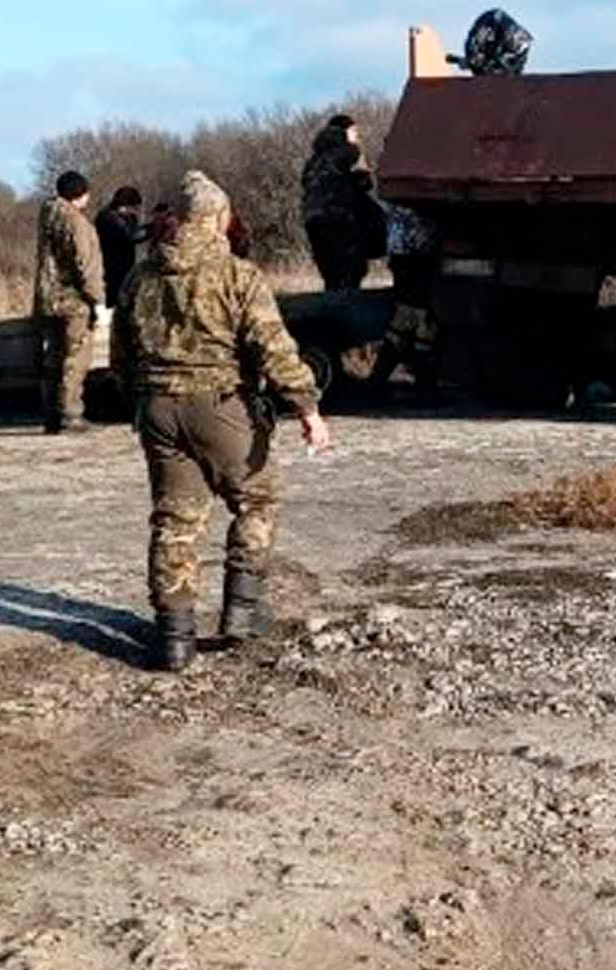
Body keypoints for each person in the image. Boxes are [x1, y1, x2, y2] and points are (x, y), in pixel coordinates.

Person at [111, 169, 332, 672]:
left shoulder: (141, 276)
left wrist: (140, 402)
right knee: (257, 499)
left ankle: (174, 638)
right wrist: (307, 408)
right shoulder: (238, 275)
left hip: (158, 408)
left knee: (175, 518)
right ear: (215, 219)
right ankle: (242, 610)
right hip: (220, 406)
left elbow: (120, 355)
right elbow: (273, 347)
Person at [32, 169, 104, 434]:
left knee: (53, 358)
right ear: (80, 194)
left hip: (48, 299)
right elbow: (85, 265)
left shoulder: (48, 217)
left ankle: (51, 415)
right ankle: (70, 414)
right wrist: (96, 298)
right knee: (75, 358)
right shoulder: (77, 223)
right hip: (74, 302)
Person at [300, 114, 383, 290]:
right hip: (341, 218)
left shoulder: (313, 160)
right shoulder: (351, 151)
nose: (357, 136)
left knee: (331, 273)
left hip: (313, 219)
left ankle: (331, 307)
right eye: (354, 131)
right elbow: (365, 183)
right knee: (350, 271)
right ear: (346, 131)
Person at [370, 200, 440, 392]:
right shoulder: (418, 202)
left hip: (401, 255)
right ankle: (424, 384)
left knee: (405, 318)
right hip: (417, 257)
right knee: (421, 320)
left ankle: (378, 380)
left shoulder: (389, 195)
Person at [96, 185, 143, 307]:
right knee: (113, 299)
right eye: (134, 207)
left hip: (126, 264)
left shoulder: (127, 218)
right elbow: (130, 235)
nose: (136, 211)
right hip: (111, 266)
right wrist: (153, 229)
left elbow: (135, 232)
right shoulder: (108, 217)